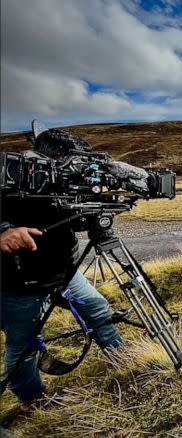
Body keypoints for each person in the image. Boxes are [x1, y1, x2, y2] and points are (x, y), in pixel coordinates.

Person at [0, 128, 122, 412]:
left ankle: (121, 356)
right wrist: (3, 232)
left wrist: (94, 212)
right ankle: (32, 399)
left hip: (64, 270)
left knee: (96, 305)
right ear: (54, 157)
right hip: (18, 282)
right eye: (74, 162)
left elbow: (70, 218)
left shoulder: (66, 180)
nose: (80, 169)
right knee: (24, 344)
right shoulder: (8, 173)